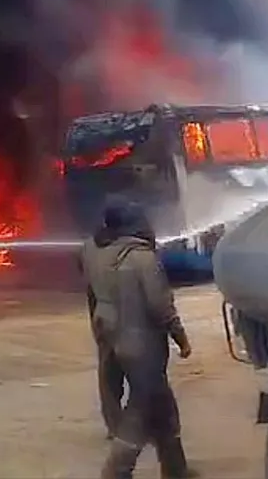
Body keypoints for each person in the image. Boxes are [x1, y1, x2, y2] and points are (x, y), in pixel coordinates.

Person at [81, 200, 197, 479]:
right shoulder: (142, 258)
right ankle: (116, 470)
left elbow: (91, 291)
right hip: (141, 343)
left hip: (109, 332)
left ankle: (176, 469)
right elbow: (160, 306)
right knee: (143, 405)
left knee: (162, 403)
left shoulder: (91, 250)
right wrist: (180, 337)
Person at [79, 211, 127, 440]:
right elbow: (155, 294)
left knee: (109, 375)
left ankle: (114, 425)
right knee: (144, 375)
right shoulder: (134, 251)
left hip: (102, 318)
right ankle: (139, 427)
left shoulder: (88, 247)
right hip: (131, 319)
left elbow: (88, 283)